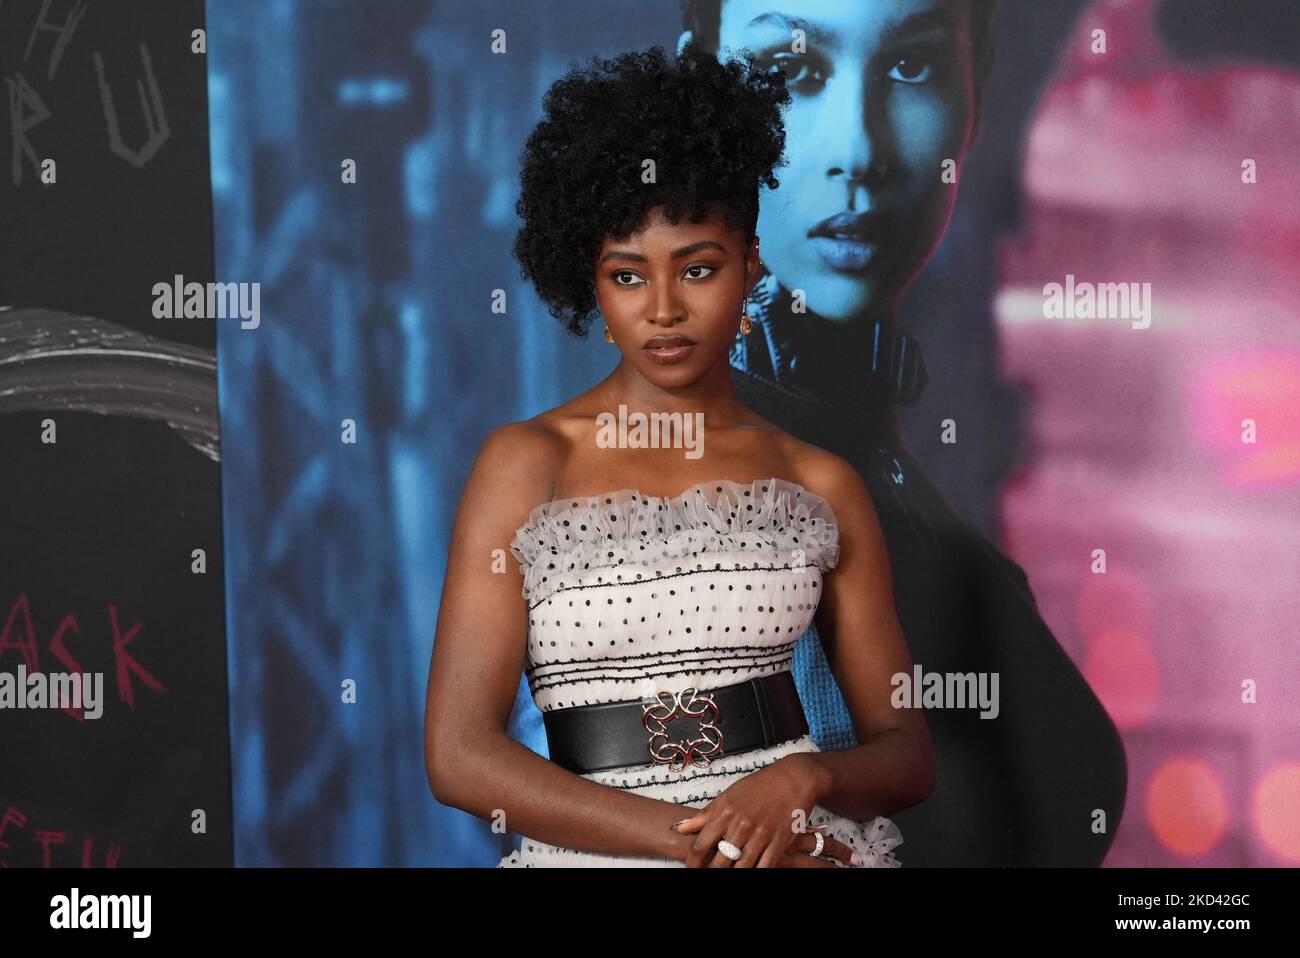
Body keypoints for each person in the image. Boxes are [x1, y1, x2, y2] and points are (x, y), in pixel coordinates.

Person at [424, 44, 935, 867]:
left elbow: (907, 753)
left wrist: (805, 778)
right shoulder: (526, 464)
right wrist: (707, 850)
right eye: (628, 277)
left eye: (697, 269)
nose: (664, 309)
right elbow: (458, 756)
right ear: (590, 283)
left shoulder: (816, 480)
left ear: (750, 266)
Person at [676, 0, 1128, 864]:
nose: (859, 149)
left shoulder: (865, 465)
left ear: (975, 97)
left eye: (912, 67)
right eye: (790, 73)